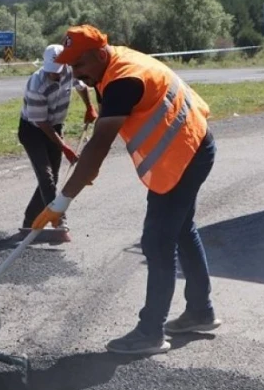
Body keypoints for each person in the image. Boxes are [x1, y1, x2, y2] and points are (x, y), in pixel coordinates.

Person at [34, 25, 220, 355]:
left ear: (99, 54)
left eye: (79, 65)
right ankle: (200, 312)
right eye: (71, 66)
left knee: (157, 241)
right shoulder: (114, 62)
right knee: (181, 230)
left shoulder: (123, 81)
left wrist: (61, 203)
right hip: (193, 143)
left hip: (186, 153)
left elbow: (96, 151)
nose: (76, 74)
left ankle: (150, 332)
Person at [18, 43, 96, 238]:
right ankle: (59, 222)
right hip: (33, 130)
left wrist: (89, 106)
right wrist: (65, 148)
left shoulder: (71, 70)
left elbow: (81, 86)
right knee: (46, 177)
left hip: (55, 126)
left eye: (58, 71)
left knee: (50, 178)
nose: (55, 75)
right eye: (51, 72)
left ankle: (29, 221)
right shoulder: (36, 85)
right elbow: (42, 124)